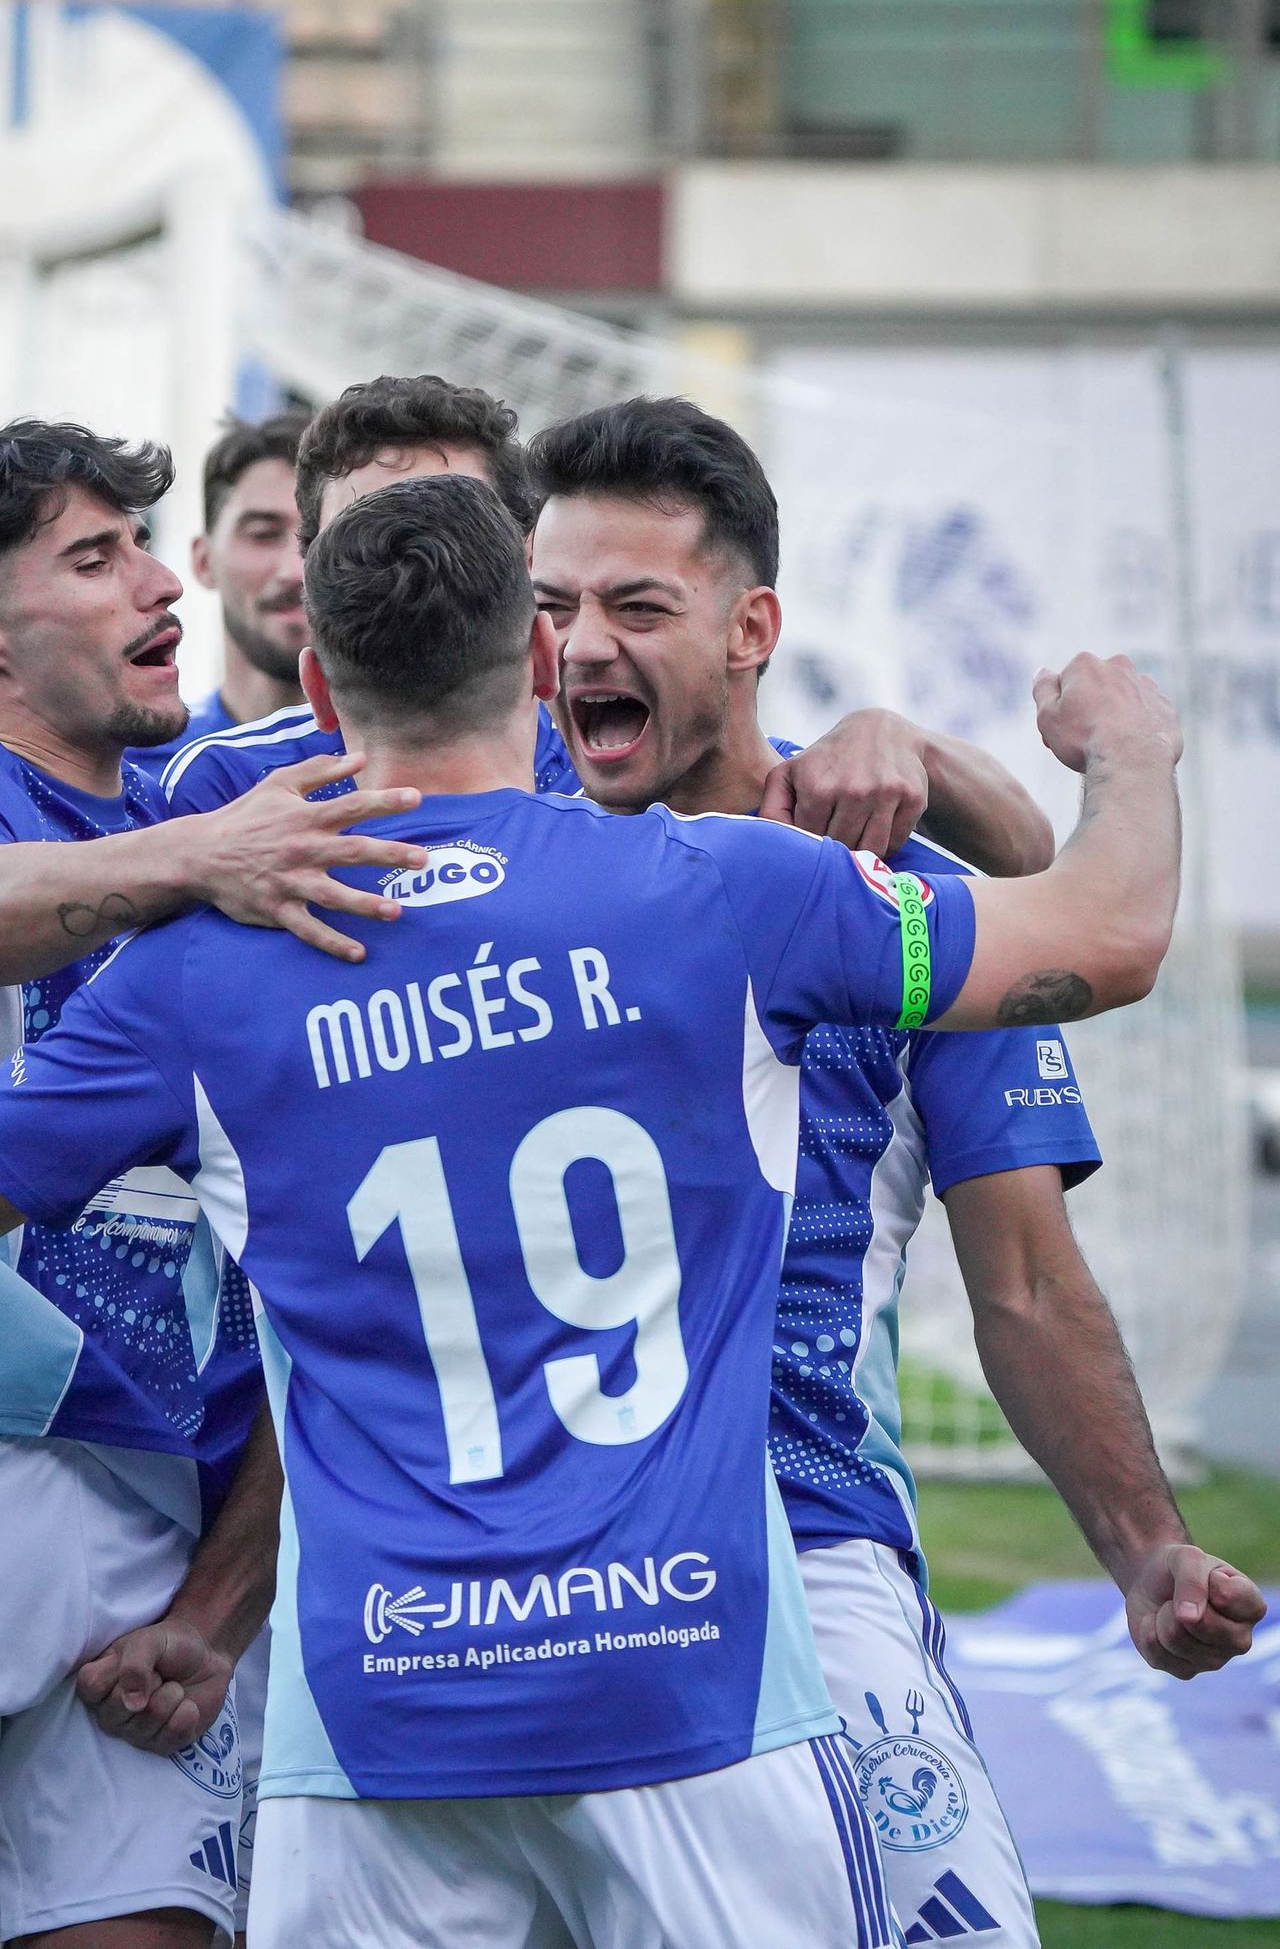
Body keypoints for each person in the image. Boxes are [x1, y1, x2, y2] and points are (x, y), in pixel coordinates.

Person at [0, 472, 1187, 1948]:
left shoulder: (200, 975)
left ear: (318, 686)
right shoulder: (724, 888)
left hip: (376, 1723)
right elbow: (1109, 934)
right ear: (537, 663)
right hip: (692, 1685)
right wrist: (1133, 756)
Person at [525, 395, 1266, 1942]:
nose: (580, 646)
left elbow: (1023, 1276)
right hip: (499, 1568)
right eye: (550, 607)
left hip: (799, 1542)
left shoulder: (904, 902)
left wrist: (1143, 1550)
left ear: (753, 627)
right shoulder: (469, 848)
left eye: (636, 605)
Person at [0, 420, 427, 1949]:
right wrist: (197, 861)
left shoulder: (190, 797)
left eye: (146, 547)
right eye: (93, 558)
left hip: (160, 1497)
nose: (155, 584)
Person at [162, 372, 1053, 875]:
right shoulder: (222, 789)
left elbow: (1039, 880)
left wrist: (897, 741)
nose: (414, 563)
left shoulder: (765, 835)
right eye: (365, 536)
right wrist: (198, 866)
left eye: (636, 606)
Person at [131, 409, 313, 779]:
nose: (295, 570)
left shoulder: (417, 768)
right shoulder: (134, 774)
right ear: (204, 560)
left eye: (319, 538)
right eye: (263, 534)